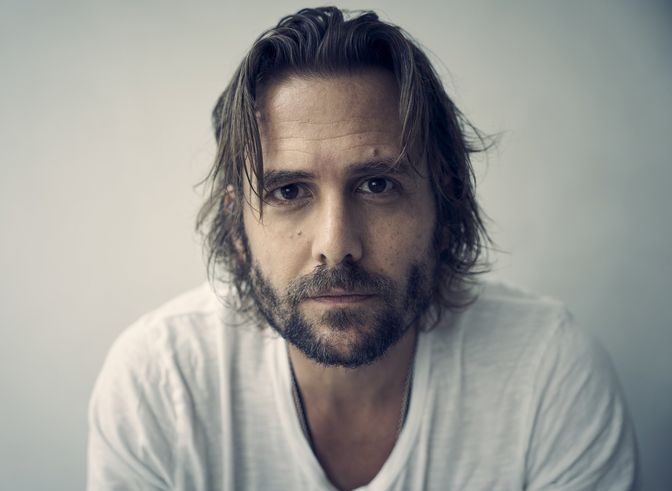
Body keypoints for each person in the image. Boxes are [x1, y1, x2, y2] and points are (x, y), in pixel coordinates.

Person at [86, 7, 638, 490]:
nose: (336, 245)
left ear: (444, 209)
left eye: (377, 185)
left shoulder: (547, 372)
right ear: (237, 228)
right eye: (289, 191)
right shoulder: (161, 384)